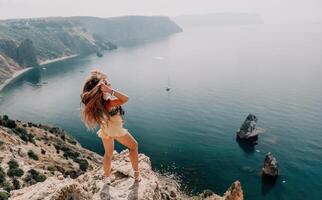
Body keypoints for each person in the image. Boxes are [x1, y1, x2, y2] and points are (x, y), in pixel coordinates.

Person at [80, 70, 140, 183]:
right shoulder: (109, 103)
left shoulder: (100, 104)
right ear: (103, 89)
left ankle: (107, 178)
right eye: (108, 83)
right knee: (134, 146)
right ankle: (136, 174)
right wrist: (110, 91)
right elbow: (126, 98)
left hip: (105, 130)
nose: (110, 84)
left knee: (108, 154)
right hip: (116, 130)